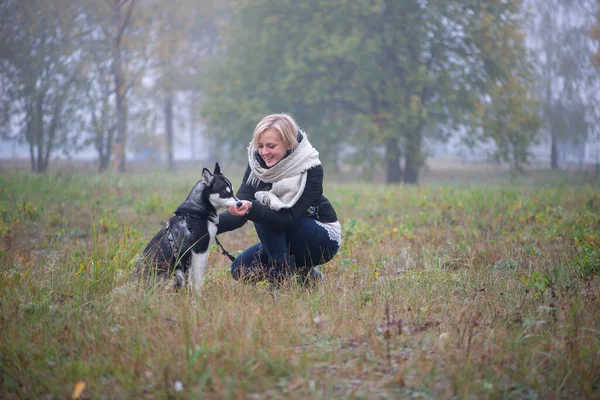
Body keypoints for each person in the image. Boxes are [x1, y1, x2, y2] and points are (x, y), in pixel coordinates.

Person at [216, 113, 341, 285]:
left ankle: (281, 273)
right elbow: (240, 209)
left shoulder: (311, 167)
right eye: (260, 146)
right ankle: (306, 273)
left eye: (271, 146)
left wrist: (252, 208)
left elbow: (286, 217)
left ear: (288, 143)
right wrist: (206, 225)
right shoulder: (257, 164)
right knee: (241, 270)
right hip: (284, 234)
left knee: (263, 206)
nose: (264, 152)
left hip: (321, 239)